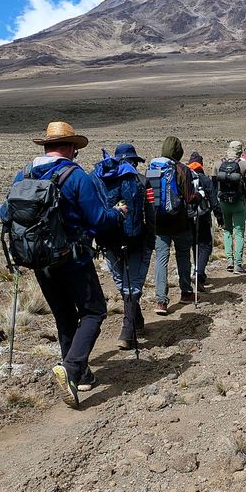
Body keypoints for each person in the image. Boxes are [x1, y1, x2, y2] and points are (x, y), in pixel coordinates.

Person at [1, 121, 124, 408]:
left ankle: (79, 376)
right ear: (69, 147)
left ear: (46, 146)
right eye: (75, 149)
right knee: (94, 311)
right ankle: (71, 368)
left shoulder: (24, 174)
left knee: (65, 317)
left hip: (38, 261)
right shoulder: (76, 176)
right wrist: (117, 215)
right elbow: (97, 219)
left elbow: (5, 212)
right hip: (73, 258)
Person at [92, 143, 154, 351]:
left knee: (122, 282)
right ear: (134, 162)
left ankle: (136, 320)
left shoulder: (101, 180)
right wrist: (151, 238)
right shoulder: (143, 181)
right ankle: (127, 332)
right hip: (136, 240)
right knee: (133, 284)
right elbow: (150, 213)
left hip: (108, 241)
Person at [148, 136, 200, 314]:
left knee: (161, 260)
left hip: (159, 224)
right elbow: (189, 197)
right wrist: (199, 197)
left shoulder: (153, 168)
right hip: (180, 222)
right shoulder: (183, 170)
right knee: (183, 256)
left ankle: (161, 301)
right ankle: (186, 292)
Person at [213, 141, 246, 274]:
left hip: (223, 203)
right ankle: (238, 264)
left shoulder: (218, 164)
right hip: (238, 203)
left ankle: (229, 260)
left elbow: (214, 186)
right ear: (240, 151)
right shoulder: (244, 165)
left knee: (227, 231)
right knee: (239, 233)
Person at [187, 152, 220, 288]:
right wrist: (220, 218)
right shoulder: (205, 180)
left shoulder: (185, 177)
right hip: (203, 216)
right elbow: (214, 201)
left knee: (195, 244)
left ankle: (197, 273)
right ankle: (199, 273)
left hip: (188, 217)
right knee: (205, 245)